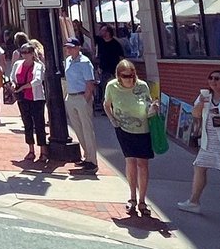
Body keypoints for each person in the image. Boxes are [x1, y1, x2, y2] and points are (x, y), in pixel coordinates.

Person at [177, 70, 220, 221]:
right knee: (199, 167)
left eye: (217, 79)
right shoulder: (205, 96)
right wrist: (200, 104)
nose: (213, 81)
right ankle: (194, 201)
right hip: (208, 140)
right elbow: (195, 115)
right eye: (210, 78)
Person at [103, 58, 159, 218]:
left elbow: (148, 104)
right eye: (126, 76)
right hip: (123, 128)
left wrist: (153, 108)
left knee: (143, 163)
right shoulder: (112, 86)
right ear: (119, 76)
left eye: (132, 75)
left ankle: (142, 200)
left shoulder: (142, 86)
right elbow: (107, 105)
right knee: (130, 161)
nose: (130, 79)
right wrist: (113, 121)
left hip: (143, 128)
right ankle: (132, 197)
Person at [62, 37, 99, 172]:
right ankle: (87, 157)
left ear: (78, 48)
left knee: (87, 129)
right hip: (71, 97)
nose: (68, 49)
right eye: (67, 47)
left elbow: (90, 83)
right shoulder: (68, 61)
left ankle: (93, 161)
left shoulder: (85, 62)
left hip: (82, 96)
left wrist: (86, 99)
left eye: (71, 47)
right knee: (78, 129)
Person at [10, 43, 47, 162]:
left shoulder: (38, 66)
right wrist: (13, 84)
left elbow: (37, 80)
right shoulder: (17, 64)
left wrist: (23, 87)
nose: (24, 55)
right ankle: (31, 150)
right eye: (23, 52)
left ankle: (43, 151)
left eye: (27, 52)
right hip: (22, 98)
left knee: (39, 123)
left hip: (36, 98)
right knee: (27, 123)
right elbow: (12, 77)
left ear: (32, 54)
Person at [94, 25, 124, 114]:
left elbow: (121, 57)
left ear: (108, 32)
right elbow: (90, 35)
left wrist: (121, 69)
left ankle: (116, 108)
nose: (101, 32)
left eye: (103, 31)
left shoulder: (115, 44)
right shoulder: (100, 42)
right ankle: (106, 109)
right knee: (105, 89)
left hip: (114, 70)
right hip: (104, 70)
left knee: (116, 89)